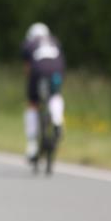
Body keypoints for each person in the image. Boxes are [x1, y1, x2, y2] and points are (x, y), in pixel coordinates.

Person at [21, 22, 65, 163]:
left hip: (38, 72)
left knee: (32, 104)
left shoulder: (29, 43)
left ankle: (32, 146)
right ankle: (57, 122)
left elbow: (27, 68)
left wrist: (30, 84)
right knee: (55, 95)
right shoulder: (55, 40)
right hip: (56, 71)